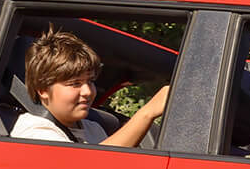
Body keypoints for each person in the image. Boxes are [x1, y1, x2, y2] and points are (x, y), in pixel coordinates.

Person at [10, 27, 167, 147]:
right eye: (75, 84)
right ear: (43, 90)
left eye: (90, 81)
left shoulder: (92, 128)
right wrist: (147, 113)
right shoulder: (35, 133)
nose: (87, 91)